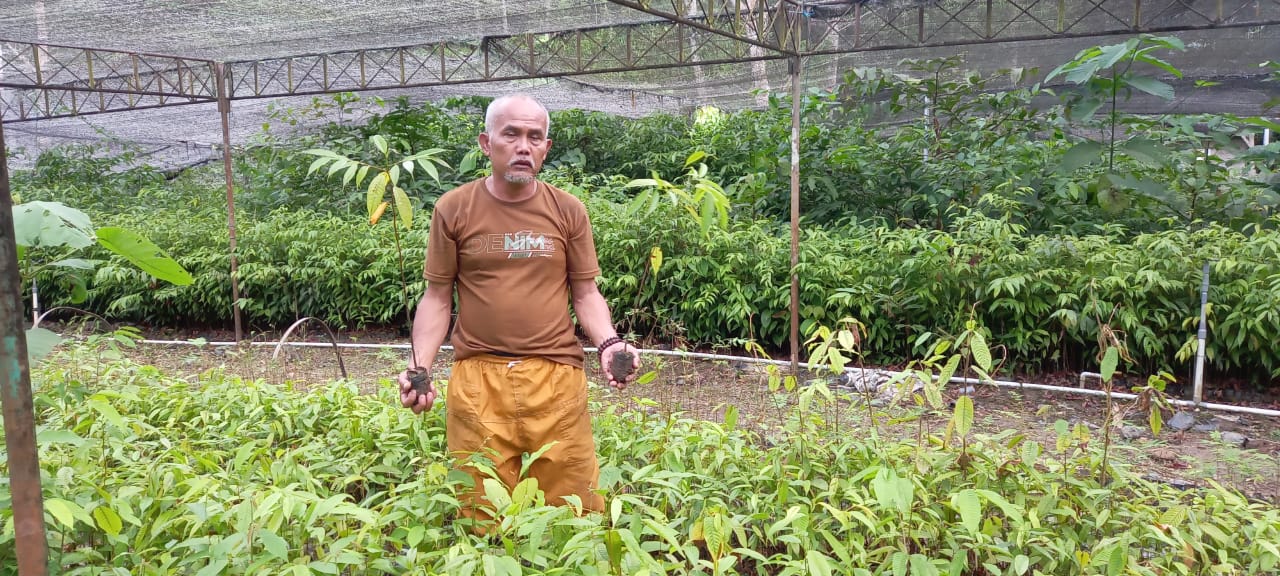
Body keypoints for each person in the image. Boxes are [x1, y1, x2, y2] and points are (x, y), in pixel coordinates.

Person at [396, 93, 640, 524]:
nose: (523, 146)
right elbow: (437, 297)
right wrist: (420, 368)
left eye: (535, 137)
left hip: (557, 380)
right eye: (511, 134)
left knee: (574, 513)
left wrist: (609, 343)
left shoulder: (567, 211)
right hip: (477, 381)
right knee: (480, 512)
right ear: (486, 143)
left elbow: (585, 293)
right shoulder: (453, 209)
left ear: (546, 148)